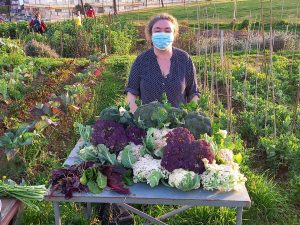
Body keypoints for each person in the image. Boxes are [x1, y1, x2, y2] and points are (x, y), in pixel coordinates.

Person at [125, 13, 200, 113]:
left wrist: (190, 118)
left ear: (174, 34)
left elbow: (193, 93)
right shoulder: (141, 60)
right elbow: (132, 92)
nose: (162, 34)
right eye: (157, 30)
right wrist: (136, 118)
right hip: (148, 126)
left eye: (167, 30)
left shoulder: (184, 59)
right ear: (151, 34)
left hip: (178, 125)